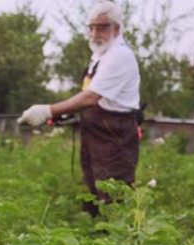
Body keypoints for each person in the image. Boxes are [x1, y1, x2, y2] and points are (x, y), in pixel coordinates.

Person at [17, 0, 141, 217]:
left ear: (117, 29)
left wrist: (49, 110)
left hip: (115, 135)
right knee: (92, 190)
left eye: (102, 27)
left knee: (113, 196)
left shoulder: (119, 56)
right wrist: (65, 113)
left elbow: (91, 97)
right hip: (94, 132)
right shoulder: (99, 57)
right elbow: (88, 96)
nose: (94, 33)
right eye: (91, 27)